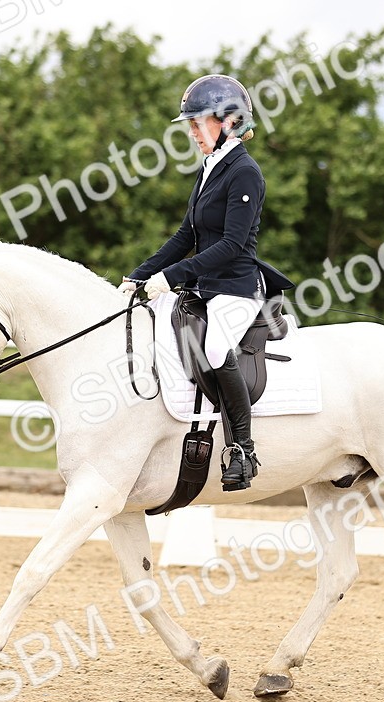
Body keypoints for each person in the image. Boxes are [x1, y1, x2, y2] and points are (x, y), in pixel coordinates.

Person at [120, 74, 294, 491]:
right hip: (206, 286)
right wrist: (138, 274)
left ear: (229, 122)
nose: (193, 133)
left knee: (214, 347)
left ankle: (243, 450)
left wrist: (171, 276)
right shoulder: (210, 168)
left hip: (237, 287)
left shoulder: (245, 172)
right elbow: (186, 236)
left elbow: (232, 245)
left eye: (199, 124)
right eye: (191, 125)